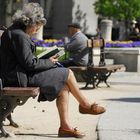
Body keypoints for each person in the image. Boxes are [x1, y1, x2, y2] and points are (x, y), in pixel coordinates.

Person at [0, 3, 105, 138]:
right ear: (29, 22)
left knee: (64, 86)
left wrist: (45, 60)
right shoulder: (19, 35)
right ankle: (84, 105)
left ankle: (65, 127)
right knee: (67, 73)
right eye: (37, 25)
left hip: (20, 74)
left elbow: (26, 61)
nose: (37, 30)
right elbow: (29, 64)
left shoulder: (17, 32)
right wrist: (48, 62)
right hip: (19, 78)